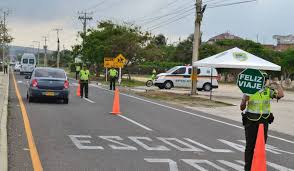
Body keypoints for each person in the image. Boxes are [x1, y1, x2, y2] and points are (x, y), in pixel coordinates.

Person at [240, 72, 284, 171]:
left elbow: (281, 95)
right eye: (262, 79)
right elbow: (241, 107)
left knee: (261, 145)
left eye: (265, 79)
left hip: (263, 121)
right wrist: (244, 100)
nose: (264, 81)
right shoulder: (249, 91)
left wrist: (277, 85)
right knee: (250, 145)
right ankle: (247, 168)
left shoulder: (268, 90)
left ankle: (258, 166)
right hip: (251, 121)